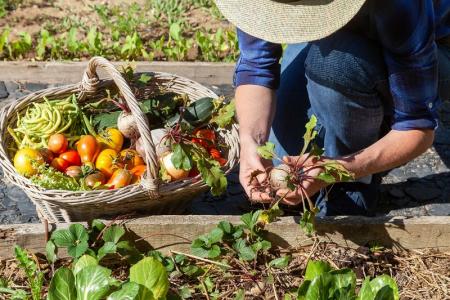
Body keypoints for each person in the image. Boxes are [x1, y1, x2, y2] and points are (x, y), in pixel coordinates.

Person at [214, 0, 450, 216]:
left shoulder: (401, 6)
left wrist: (337, 169)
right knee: (281, 159)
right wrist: (251, 142)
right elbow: (256, 66)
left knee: (334, 65)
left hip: (430, 48)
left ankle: (356, 184)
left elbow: (418, 127)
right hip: (331, 39)